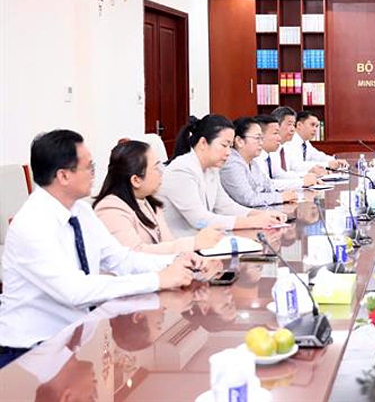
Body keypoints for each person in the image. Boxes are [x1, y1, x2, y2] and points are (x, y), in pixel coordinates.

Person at [0, 130, 205, 366]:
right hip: (28, 352)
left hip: (68, 341)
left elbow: (120, 259)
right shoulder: (32, 224)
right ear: (63, 176)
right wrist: (158, 280)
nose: (94, 174)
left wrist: (179, 260)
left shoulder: (81, 211)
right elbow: (75, 291)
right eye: (89, 167)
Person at [159, 114, 286, 238]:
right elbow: (199, 220)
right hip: (181, 243)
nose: (228, 152)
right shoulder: (181, 170)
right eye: (224, 145)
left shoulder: (211, 169)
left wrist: (259, 214)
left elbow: (224, 205)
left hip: (201, 241)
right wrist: (252, 222)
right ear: (203, 143)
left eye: (230, 146)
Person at [94, 139, 227, 254]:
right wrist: (194, 243)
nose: (161, 173)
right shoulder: (111, 209)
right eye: (156, 168)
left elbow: (168, 243)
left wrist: (195, 261)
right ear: (136, 180)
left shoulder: (149, 202)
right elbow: (134, 254)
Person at [220, 116, 298, 208]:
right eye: (257, 138)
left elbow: (269, 186)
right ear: (239, 141)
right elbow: (248, 199)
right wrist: (280, 197)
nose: (261, 142)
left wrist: (287, 194)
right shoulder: (231, 164)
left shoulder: (252, 163)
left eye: (262, 138)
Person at [254, 114, 318, 189]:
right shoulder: (255, 158)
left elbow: (279, 174)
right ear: (260, 136)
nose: (279, 138)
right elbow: (267, 184)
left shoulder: (270, 154)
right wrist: (302, 182)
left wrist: (306, 178)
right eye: (275, 133)